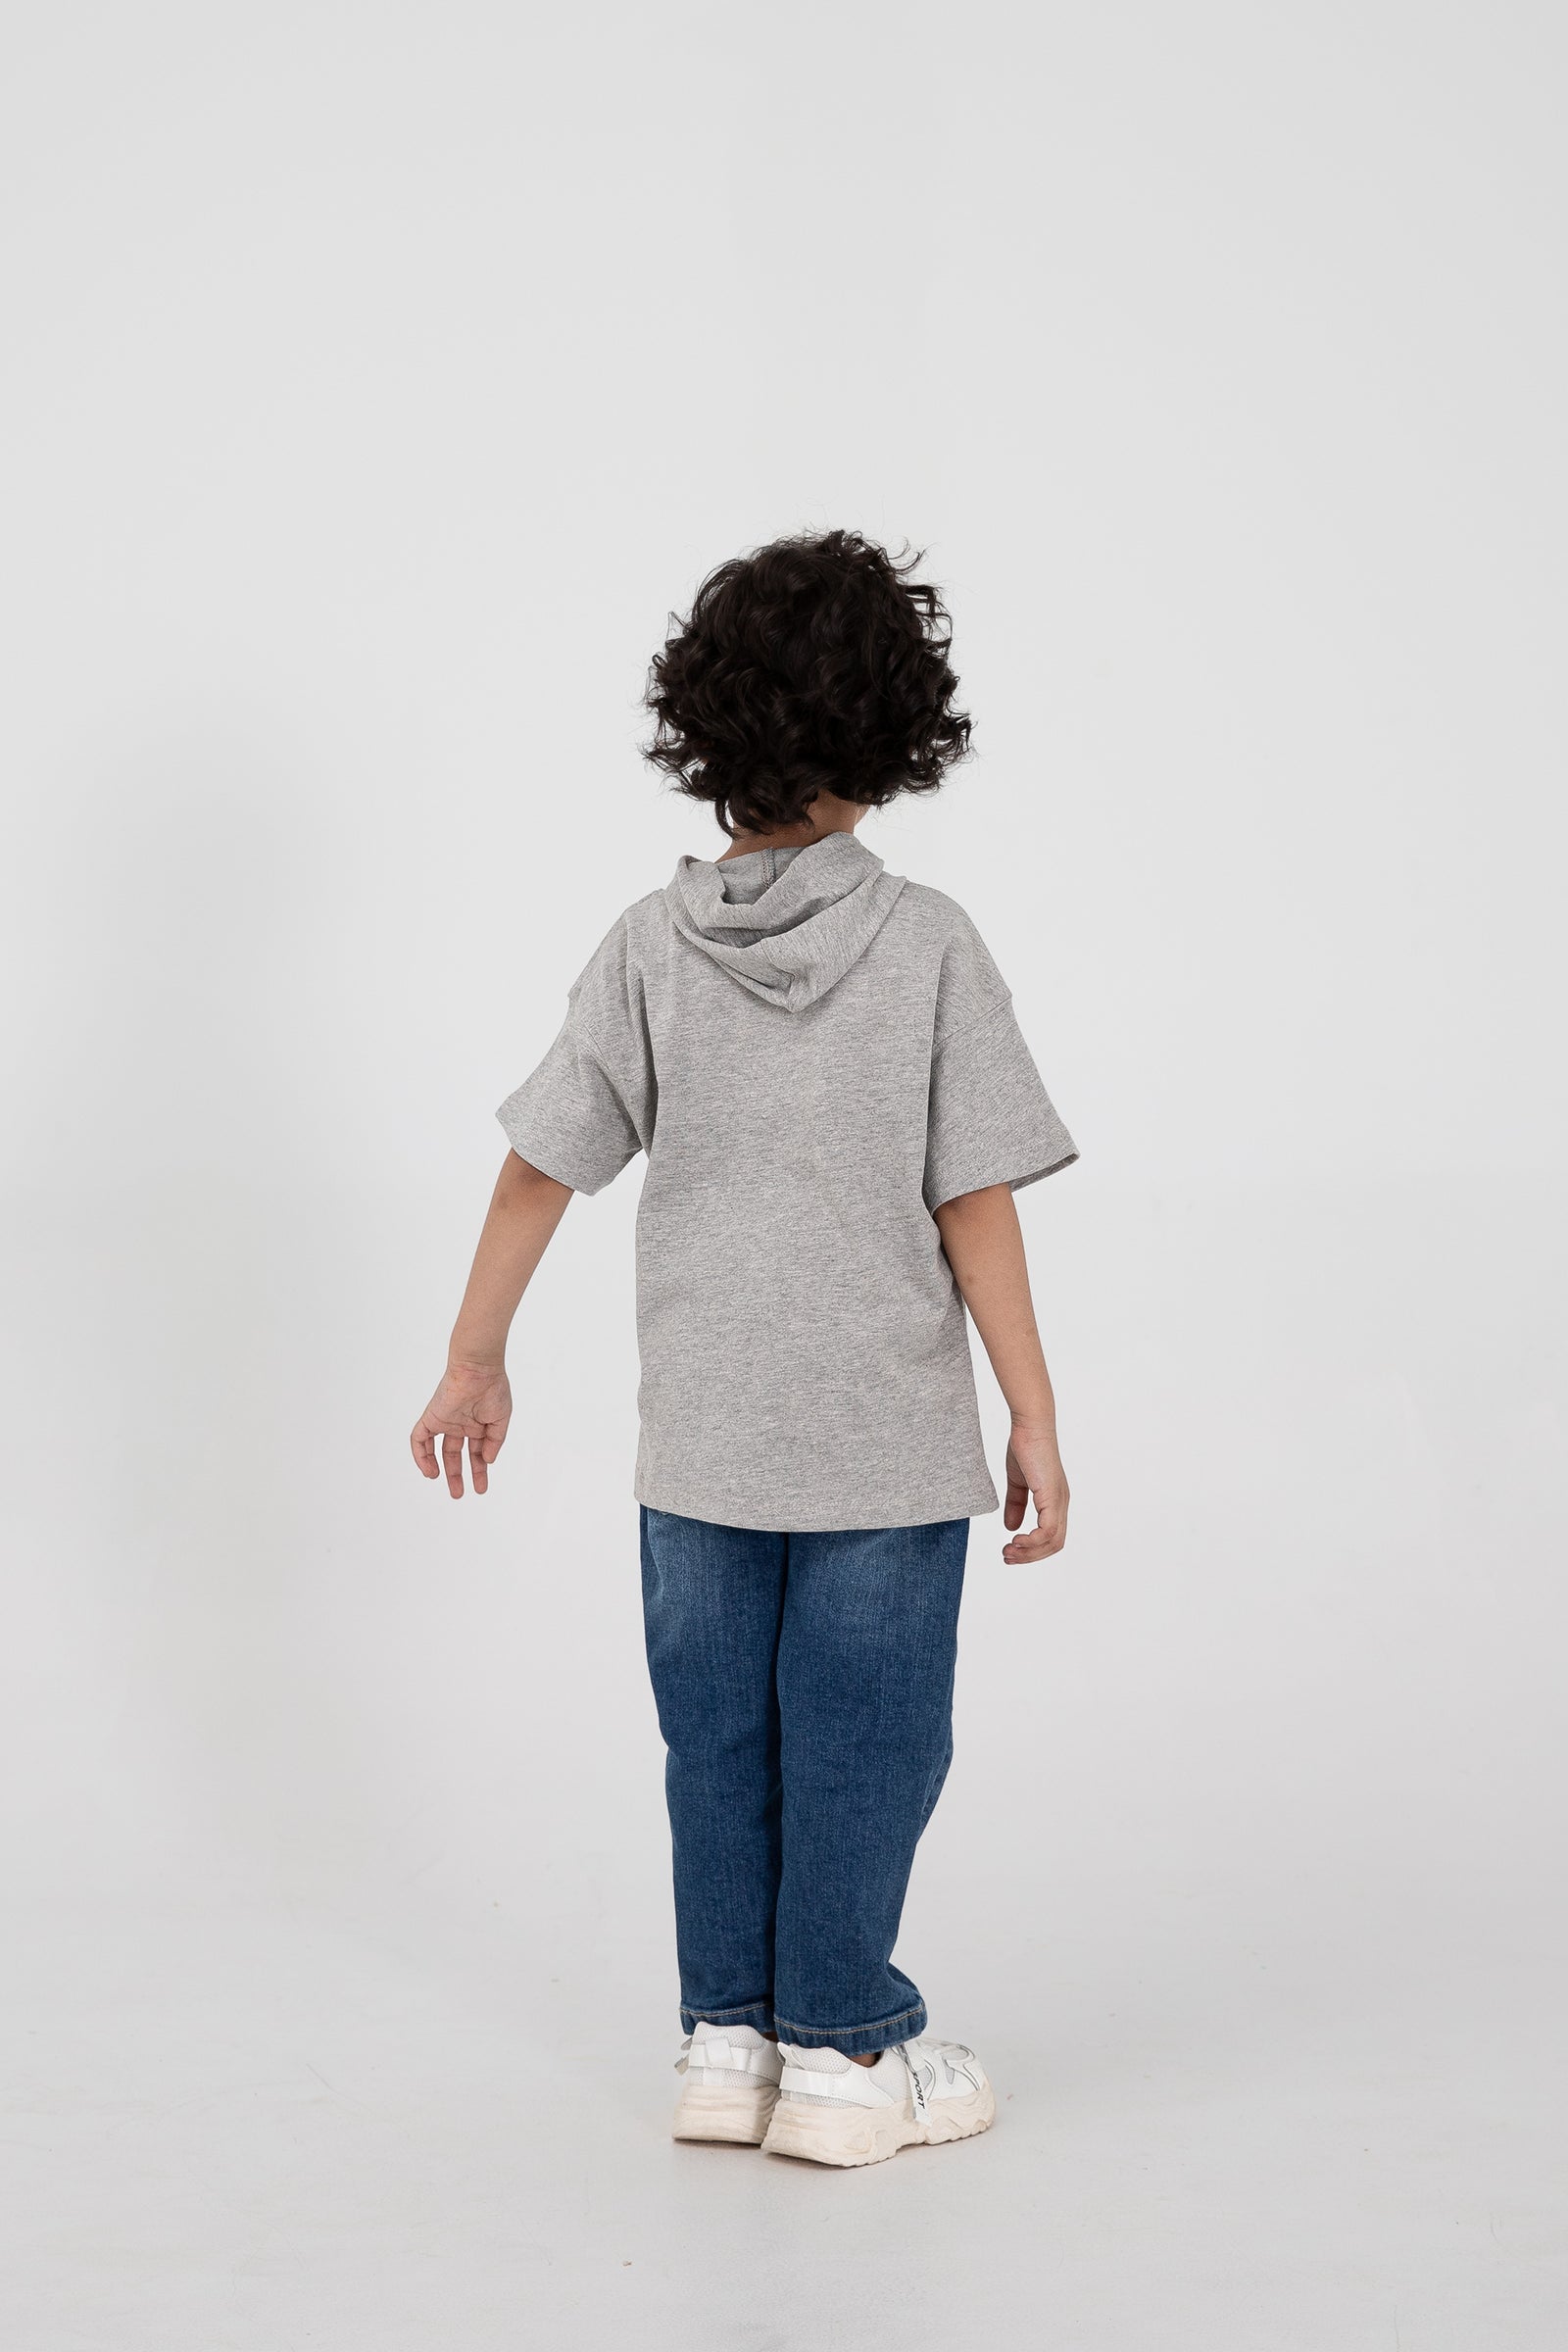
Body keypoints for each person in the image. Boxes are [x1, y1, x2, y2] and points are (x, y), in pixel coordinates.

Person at [410, 529, 1078, 2169]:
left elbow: (540, 1163)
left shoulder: (651, 945)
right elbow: (975, 1200)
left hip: (699, 1448)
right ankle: (842, 2052)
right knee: (867, 1747)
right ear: (893, 733)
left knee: (718, 1749)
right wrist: (1034, 1416)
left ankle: (726, 2041)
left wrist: (474, 1358)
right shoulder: (927, 942)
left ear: (703, 722)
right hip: (880, 1452)